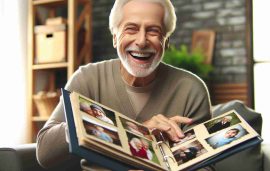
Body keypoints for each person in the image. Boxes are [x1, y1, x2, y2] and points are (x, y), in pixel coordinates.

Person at [36, 0, 212, 170]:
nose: (142, 41)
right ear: (115, 38)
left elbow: (205, 166)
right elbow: (44, 153)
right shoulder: (87, 79)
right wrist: (135, 132)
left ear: (166, 42)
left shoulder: (191, 89)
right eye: (131, 29)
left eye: (153, 31)